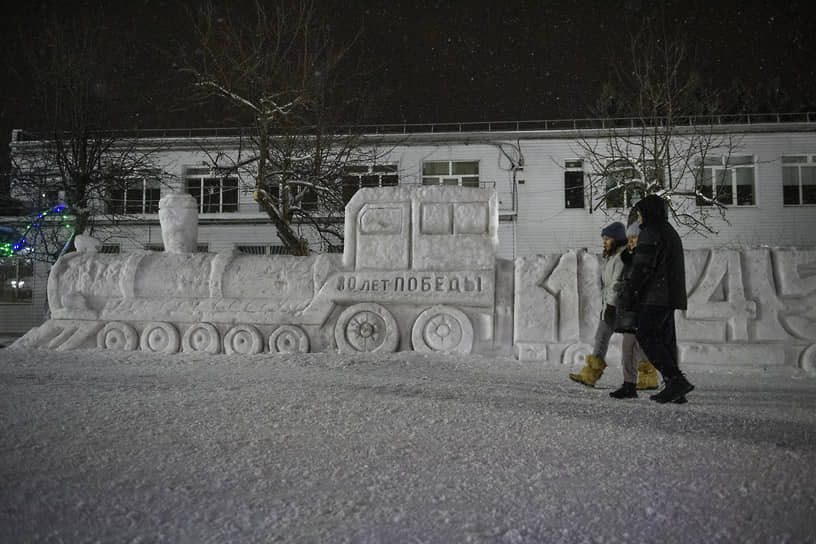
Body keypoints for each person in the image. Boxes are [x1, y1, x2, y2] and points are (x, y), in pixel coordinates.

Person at [619, 194, 694, 403]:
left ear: (648, 213)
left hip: (656, 296)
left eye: (640, 214)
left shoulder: (651, 232)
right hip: (669, 295)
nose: (639, 219)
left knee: (646, 334)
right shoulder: (668, 231)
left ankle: (675, 380)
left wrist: (630, 292)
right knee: (666, 340)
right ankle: (676, 389)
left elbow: (643, 267)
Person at [608, 219, 662, 399]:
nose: (630, 242)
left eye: (634, 239)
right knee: (627, 348)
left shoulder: (646, 259)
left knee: (638, 348)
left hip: (641, 309)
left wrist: (627, 288)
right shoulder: (629, 259)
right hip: (629, 310)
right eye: (629, 239)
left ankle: (648, 379)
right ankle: (629, 383)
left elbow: (644, 283)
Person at [569, 221, 627, 387]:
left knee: (634, 343)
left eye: (607, 238)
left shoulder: (620, 258)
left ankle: (648, 376)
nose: (604, 242)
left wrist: (610, 306)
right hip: (610, 307)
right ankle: (590, 376)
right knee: (601, 338)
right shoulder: (612, 257)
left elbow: (616, 284)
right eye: (604, 238)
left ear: (616, 239)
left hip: (618, 308)